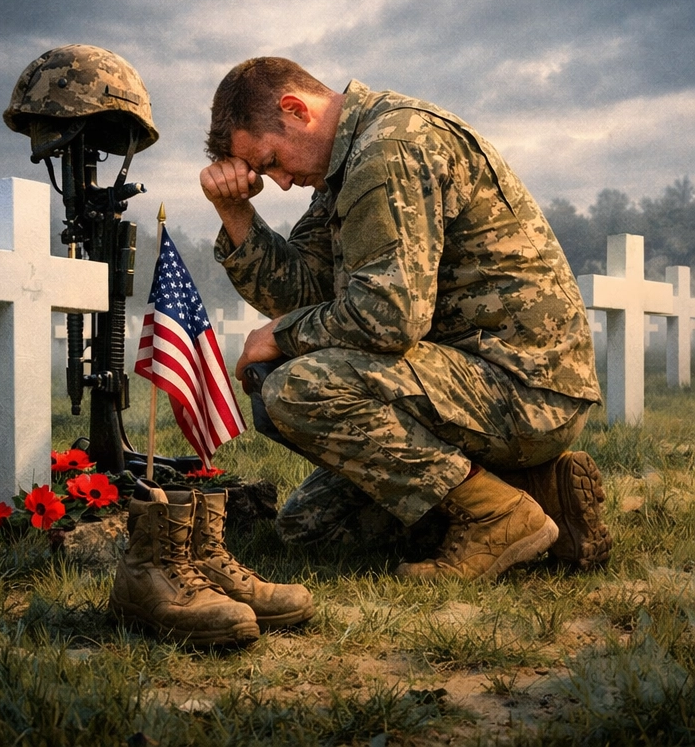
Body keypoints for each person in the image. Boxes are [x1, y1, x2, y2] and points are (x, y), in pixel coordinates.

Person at [199, 56, 612, 580]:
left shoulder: (390, 148)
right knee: (310, 528)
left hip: (521, 386)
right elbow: (301, 291)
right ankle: (537, 494)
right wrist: (235, 214)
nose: (278, 183)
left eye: (272, 159)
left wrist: (283, 337)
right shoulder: (343, 167)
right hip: (464, 379)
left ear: (295, 109)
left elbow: (389, 319)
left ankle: (496, 514)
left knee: (297, 387)